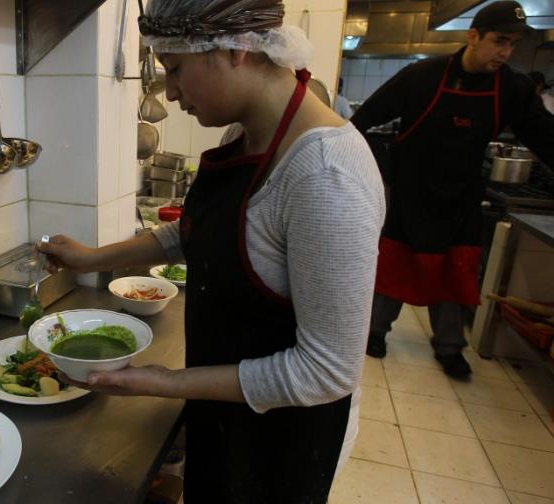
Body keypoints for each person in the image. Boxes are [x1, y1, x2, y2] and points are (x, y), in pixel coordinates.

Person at [38, 0, 386, 501]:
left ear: (235, 49)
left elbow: (326, 371)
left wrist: (162, 381)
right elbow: (197, 232)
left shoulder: (324, 175)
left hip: (281, 440)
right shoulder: (245, 132)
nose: (171, 91)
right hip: (227, 410)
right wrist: (92, 257)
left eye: (175, 70)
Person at [352, 1, 554, 378]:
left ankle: (449, 346)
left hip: (461, 194)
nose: (506, 53)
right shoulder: (422, 76)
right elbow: (362, 120)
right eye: (499, 41)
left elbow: (547, 137)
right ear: (473, 36)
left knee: (455, 268)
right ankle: (374, 331)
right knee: (396, 261)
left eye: (513, 44)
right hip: (411, 190)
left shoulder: (512, 88)